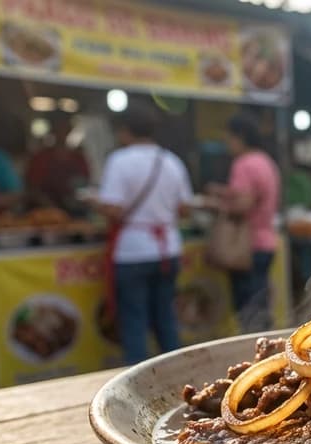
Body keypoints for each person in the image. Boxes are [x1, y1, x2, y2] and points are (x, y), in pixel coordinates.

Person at [98, 104, 192, 364]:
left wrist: (92, 202)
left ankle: (137, 386)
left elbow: (113, 209)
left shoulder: (120, 160)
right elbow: (185, 209)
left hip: (133, 251)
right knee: (166, 319)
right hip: (168, 249)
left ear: (124, 131)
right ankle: (178, 377)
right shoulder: (171, 161)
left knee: (134, 322)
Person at [208, 114, 281, 331]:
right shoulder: (265, 161)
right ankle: (270, 354)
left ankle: (256, 358)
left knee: (249, 311)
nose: (227, 144)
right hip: (266, 242)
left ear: (240, 137)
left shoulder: (243, 164)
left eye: (228, 139)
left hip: (247, 247)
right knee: (260, 306)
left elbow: (244, 204)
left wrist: (214, 204)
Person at [25, 113, 89, 215]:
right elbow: (33, 189)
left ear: (70, 130)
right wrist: (51, 208)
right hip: (44, 213)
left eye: (65, 128)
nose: (62, 132)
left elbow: (84, 186)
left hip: (75, 212)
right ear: (52, 130)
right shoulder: (41, 158)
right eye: (59, 127)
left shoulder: (78, 158)